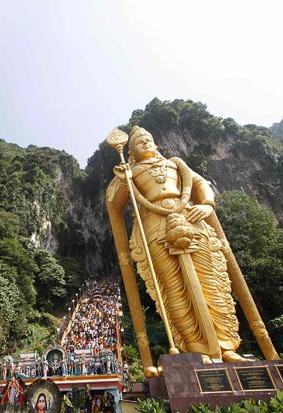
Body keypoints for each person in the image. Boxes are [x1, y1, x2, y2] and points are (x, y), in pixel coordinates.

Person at [107, 126, 244, 362]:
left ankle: (227, 347)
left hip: (189, 217)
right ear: (132, 152)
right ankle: (196, 349)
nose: (146, 143)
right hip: (154, 225)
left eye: (149, 139)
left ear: (156, 143)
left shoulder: (175, 164)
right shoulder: (131, 172)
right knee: (173, 288)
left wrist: (207, 205)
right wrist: (123, 180)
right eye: (140, 143)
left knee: (210, 282)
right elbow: (114, 204)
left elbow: (202, 185)